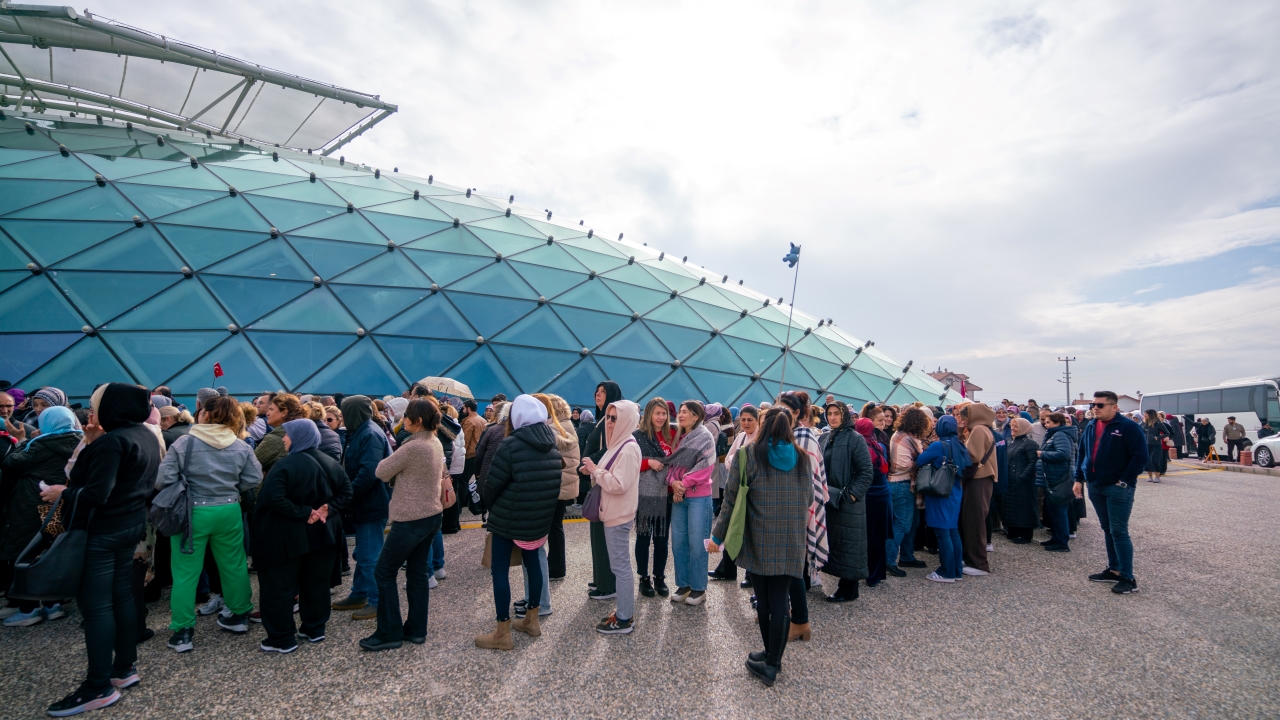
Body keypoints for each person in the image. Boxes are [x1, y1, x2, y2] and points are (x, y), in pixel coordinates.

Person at [40, 383, 159, 717]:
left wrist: (63, 492)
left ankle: (98, 687)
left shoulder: (113, 442)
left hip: (103, 531)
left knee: (95, 607)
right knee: (121, 595)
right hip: (130, 525)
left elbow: (93, 492)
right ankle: (124, 667)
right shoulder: (146, 434)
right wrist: (93, 443)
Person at [708, 407, 813, 687]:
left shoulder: (748, 455)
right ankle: (771, 658)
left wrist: (717, 537)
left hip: (759, 537)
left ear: (764, 427)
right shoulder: (802, 458)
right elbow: (810, 497)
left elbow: (729, 501)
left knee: (764, 601)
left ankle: (770, 663)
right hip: (791, 539)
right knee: (780, 600)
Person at [156, 396, 262, 653]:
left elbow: (163, 478)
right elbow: (254, 477)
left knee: (185, 572)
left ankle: (182, 631)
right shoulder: (241, 445)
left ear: (206, 414)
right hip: (228, 509)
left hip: (192, 512)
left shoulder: (184, 442)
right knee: (234, 565)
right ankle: (239, 615)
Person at [361, 400, 453, 651]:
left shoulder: (413, 446)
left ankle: (389, 631)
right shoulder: (434, 442)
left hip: (410, 518)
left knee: (383, 571)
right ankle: (416, 629)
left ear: (417, 421)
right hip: (431, 515)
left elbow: (381, 471)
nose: (403, 420)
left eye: (407, 417)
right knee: (417, 572)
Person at [253, 419, 349, 653]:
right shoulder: (330, 461)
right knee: (315, 584)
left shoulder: (285, 465)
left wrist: (304, 513)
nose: (284, 439)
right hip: (323, 535)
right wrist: (328, 508)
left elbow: (272, 498)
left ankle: (282, 638)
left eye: (287, 435)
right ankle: (314, 628)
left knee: (279, 587)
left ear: (298, 438)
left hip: (287, 537)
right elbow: (347, 492)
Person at [475, 395, 562, 649]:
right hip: (538, 520)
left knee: (499, 571)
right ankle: (531, 620)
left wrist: (492, 508)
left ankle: (502, 632)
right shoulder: (553, 446)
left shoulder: (510, 445)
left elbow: (491, 487)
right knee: (533, 562)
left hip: (508, 519)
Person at [0, 406, 82, 626]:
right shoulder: (81, 441)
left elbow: (10, 463)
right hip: (61, 505)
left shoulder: (39, 444)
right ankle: (53, 603)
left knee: (27, 552)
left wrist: (23, 440)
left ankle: (28, 609)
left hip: (32, 504)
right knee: (51, 551)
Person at [1074, 391, 1148, 594]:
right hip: (1095, 485)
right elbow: (1082, 453)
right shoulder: (1091, 425)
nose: (1095, 408)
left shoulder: (1128, 427)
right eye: (1093, 404)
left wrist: (1123, 481)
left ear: (1114, 407)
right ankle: (1114, 569)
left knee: (1119, 531)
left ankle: (1128, 577)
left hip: (1117, 488)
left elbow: (1140, 458)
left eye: (1100, 405)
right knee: (1107, 529)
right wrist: (1078, 478)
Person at [581, 399, 642, 634]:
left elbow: (619, 484)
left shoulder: (627, 448)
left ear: (626, 420)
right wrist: (594, 471)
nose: (609, 422)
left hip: (618, 514)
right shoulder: (618, 444)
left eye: (615, 418)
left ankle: (625, 618)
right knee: (620, 566)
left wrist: (596, 470)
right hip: (615, 512)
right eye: (608, 417)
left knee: (620, 567)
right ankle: (623, 612)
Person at [331, 396, 391, 622]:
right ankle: (359, 594)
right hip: (365, 502)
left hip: (371, 503)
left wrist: (346, 495)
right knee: (364, 552)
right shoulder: (362, 431)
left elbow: (369, 473)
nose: (342, 418)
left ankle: (377, 601)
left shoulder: (369, 434)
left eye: (344, 413)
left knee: (368, 555)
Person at [816, 401, 871, 601]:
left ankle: (848, 589)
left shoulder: (855, 439)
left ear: (844, 415)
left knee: (849, 545)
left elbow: (865, 472)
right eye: (829, 414)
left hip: (847, 504)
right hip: (827, 501)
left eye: (836, 414)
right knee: (833, 541)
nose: (832, 417)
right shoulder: (824, 437)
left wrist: (851, 496)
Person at [664, 400, 717, 606]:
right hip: (679, 496)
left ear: (696, 416)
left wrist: (682, 484)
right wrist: (673, 483)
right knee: (679, 543)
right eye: (681, 411)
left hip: (698, 498)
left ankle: (698, 588)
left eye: (686, 412)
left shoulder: (704, 437)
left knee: (697, 544)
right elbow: (670, 465)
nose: (681, 415)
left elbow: (706, 466)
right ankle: (683, 584)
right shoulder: (677, 436)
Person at [581, 382, 623, 601]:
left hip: (604, 483)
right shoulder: (602, 418)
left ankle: (608, 585)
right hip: (597, 480)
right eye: (596, 391)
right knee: (597, 534)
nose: (598, 394)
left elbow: (610, 451)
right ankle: (601, 578)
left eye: (603, 391)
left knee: (602, 535)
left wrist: (590, 463)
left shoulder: (612, 420)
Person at [916, 415, 969, 582]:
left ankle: (946, 571)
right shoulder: (959, 444)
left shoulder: (939, 445)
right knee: (952, 530)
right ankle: (956, 570)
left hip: (939, 491)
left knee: (941, 531)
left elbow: (920, 460)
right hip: (955, 490)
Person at [710, 405, 758, 582]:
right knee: (732, 528)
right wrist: (735, 461)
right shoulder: (741, 437)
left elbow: (735, 461)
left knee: (749, 531)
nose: (745, 423)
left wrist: (735, 461)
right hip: (737, 487)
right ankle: (727, 569)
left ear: (757, 421)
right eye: (743, 420)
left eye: (750, 420)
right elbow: (730, 459)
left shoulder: (759, 438)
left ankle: (750, 574)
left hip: (751, 491)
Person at [633, 397, 675, 598]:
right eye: (657, 413)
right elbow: (629, 464)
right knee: (643, 537)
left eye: (664, 413)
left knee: (661, 539)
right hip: (645, 495)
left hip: (665, 494)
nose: (661, 417)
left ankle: (659, 576)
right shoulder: (637, 436)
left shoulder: (671, 435)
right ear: (648, 414)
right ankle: (643, 577)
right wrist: (647, 462)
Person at [886, 407, 929, 575]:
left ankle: (907, 556)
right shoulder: (904, 438)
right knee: (902, 524)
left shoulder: (903, 436)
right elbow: (902, 465)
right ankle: (888, 560)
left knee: (913, 522)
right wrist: (923, 460)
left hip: (905, 484)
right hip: (902, 484)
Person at [543, 395, 580, 583]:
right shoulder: (566, 425)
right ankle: (556, 566)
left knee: (553, 527)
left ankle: (556, 568)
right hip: (564, 484)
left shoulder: (555, 427)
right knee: (556, 526)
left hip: (557, 484)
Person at [959, 403, 997, 576]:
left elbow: (973, 455)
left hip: (979, 478)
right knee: (974, 519)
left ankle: (978, 563)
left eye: (964, 417)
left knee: (974, 520)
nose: (962, 421)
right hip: (981, 478)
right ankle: (973, 559)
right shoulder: (983, 428)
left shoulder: (979, 430)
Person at [1037, 412, 1077, 551]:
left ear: (1058, 423)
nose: (1045, 425)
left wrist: (1043, 454)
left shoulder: (1060, 435)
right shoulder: (1054, 434)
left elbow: (1063, 454)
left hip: (1059, 478)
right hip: (1053, 476)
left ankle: (1061, 542)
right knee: (1054, 511)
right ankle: (1056, 537)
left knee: (1060, 511)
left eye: (1049, 422)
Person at [1001, 418, 1039, 543]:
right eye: (1012, 426)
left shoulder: (1030, 444)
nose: (1013, 428)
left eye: (1016, 426)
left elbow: (1033, 462)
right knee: (1011, 506)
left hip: (1024, 482)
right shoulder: (1010, 442)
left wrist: (1023, 476)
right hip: (1011, 480)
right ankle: (1013, 531)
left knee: (1024, 508)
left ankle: (1025, 534)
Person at [1142, 409, 1172, 481]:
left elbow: (1167, 433)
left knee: (1155, 460)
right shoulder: (1144, 423)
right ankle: (1150, 477)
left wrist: (1158, 437)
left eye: (1146, 414)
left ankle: (1157, 477)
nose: (1144, 415)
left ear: (1151, 415)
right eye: (1144, 414)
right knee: (1148, 461)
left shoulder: (1158, 424)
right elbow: (1139, 430)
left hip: (1156, 445)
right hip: (1147, 444)